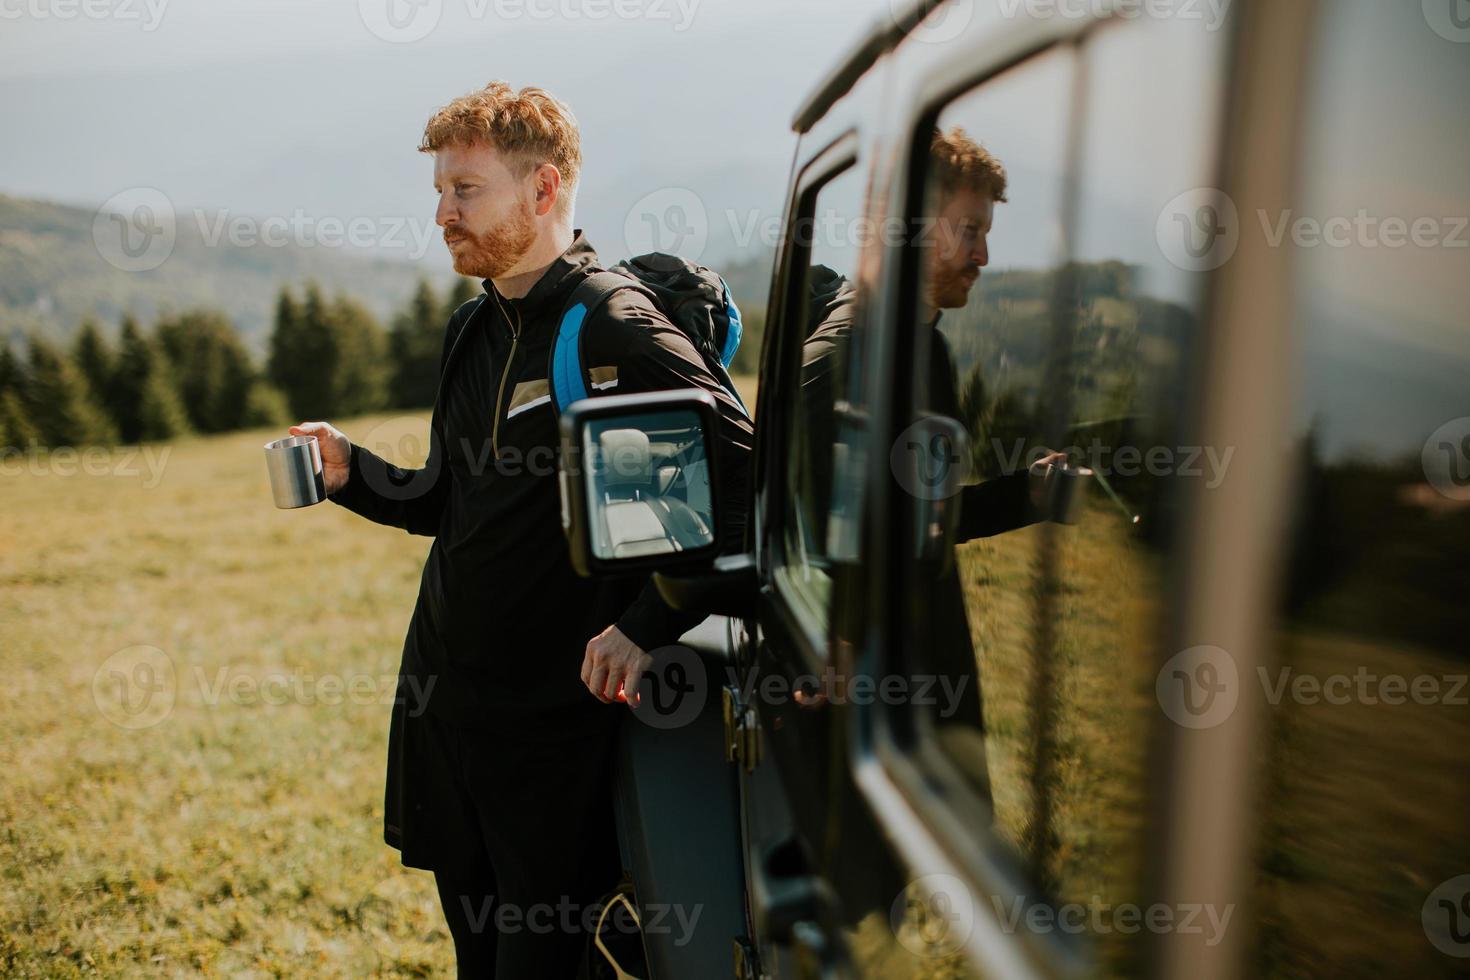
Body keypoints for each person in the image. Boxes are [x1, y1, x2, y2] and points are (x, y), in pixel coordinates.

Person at [287, 81, 752, 978]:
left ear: (542, 193)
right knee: (478, 957)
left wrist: (649, 622)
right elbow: (445, 502)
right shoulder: (474, 326)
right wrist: (353, 473)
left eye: (465, 191)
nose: (441, 215)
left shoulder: (614, 323)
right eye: (439, 192)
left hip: (549, 732)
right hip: (447, 710)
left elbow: (749, 483)